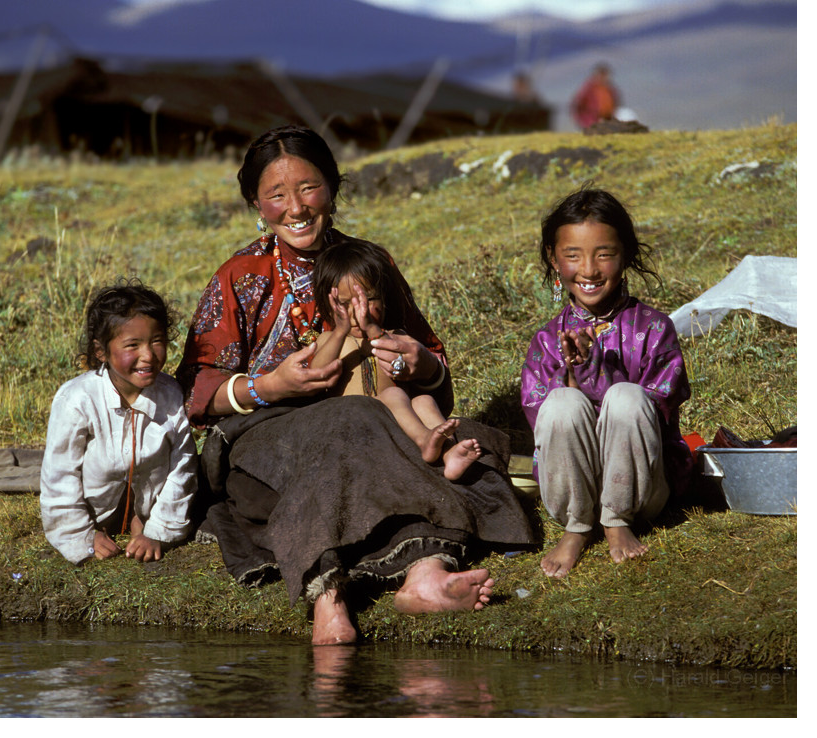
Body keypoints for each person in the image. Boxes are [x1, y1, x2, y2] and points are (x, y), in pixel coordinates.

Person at [175, 125, 533, 645]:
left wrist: (418, 362)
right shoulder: (240, 276)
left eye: (309, 188)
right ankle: (332, 596)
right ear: (256, 202)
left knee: (444, 434)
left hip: (376, 423)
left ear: (333, 189)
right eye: (276, 195)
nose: (295, 208)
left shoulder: (371, 264)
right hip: (269, 441)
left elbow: (432, 364)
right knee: (359, 422)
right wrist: (269, 387)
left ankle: (424, 577)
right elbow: (194, 387)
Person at [521, 187, 693, 579]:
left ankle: (616, 518)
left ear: (626, 254)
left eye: (604, 254)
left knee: (627, 397)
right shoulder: (547, 341)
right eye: (572, 255)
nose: (590, 270)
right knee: (562, 402)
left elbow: (660, 410)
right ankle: (577, 524)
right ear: (553, 257)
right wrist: (571, 373)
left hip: (641, 487)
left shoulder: (654, 328)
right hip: (571, 486)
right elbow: (541, 421)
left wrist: (603, 373)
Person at [40, 279, 198, 565]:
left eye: (157, 341)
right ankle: (100, 525)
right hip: (93, 510)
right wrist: (81, 535)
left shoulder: (171, 395)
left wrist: (157, 530)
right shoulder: (77, 399)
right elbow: (60, 473)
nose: (148, 355)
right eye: (132, 345)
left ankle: (140, 519)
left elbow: (182, 466)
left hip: (150, 508)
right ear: (101, 351)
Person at [309, 237, 482, 480]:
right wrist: (339, 330)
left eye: (369, 299)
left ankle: (449, 453)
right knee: (393, 394)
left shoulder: (396, 335)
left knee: (423, 401)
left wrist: (372, 329)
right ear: (328, 306)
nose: (360, 310)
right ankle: (426, 441)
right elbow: (316, 371)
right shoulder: (329, 339)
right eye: (344, 303)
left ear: (384, 298)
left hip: (402, 423)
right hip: (355, 424)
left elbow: (401, 354)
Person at [571, 63, 619, 129]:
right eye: (601, 74)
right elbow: (578, 105)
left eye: (605, 75)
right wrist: (583, 121)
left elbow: (615, 103)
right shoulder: (588, 89)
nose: (603, 77)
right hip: (591, 121)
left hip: (607, 120)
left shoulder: (610, 89)